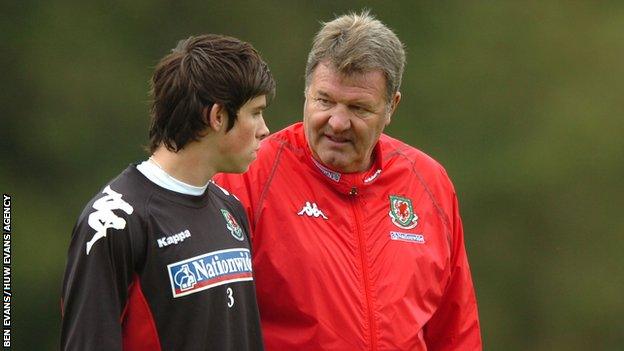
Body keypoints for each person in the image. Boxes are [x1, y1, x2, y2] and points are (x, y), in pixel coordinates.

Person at [214, 11, 482, 350]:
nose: (338, 122)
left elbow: (455, 329)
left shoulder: (429, 183)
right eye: (325, 100)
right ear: (306, 92)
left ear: (391, 108)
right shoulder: (246, 177)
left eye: (358, 108)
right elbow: (210, 322)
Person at [61, 34, 275, 351]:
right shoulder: (113, 222)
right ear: (217, 117)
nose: (264, 129)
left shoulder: (231, 209)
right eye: (255, 112)